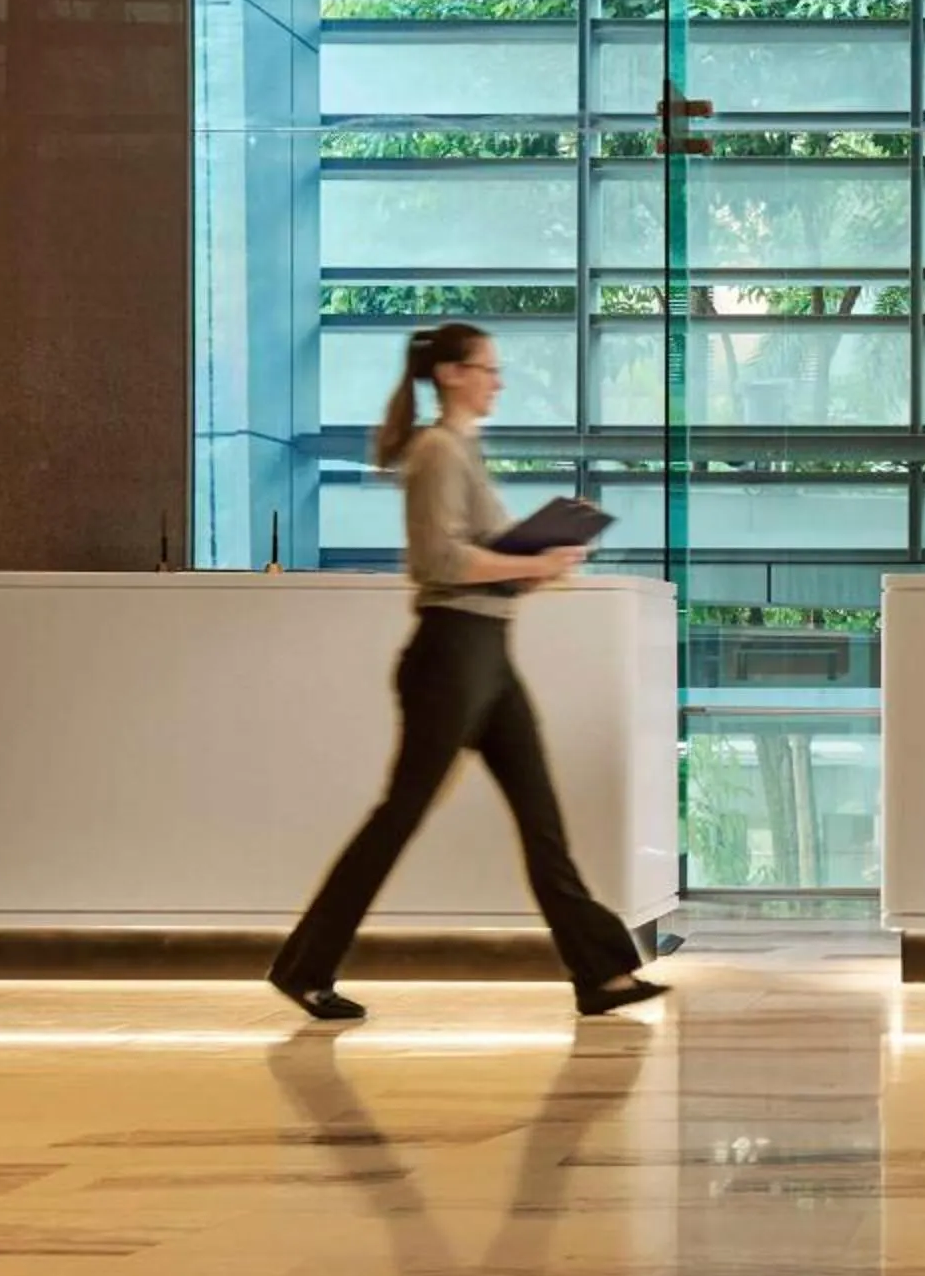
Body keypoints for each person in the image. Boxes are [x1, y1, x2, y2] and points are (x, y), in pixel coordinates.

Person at [268, 323, 664, 1023]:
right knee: (399, 816)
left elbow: (487, 570)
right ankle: (304, 967)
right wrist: (528, 563)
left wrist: (540, 566)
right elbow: (441, 564)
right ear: (450, 374)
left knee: (541, 821)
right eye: (486, 368)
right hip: (450, 657)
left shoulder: (466, 454)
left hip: (488, 653)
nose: (496, 381)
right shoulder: (436, 452)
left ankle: (600, 973)